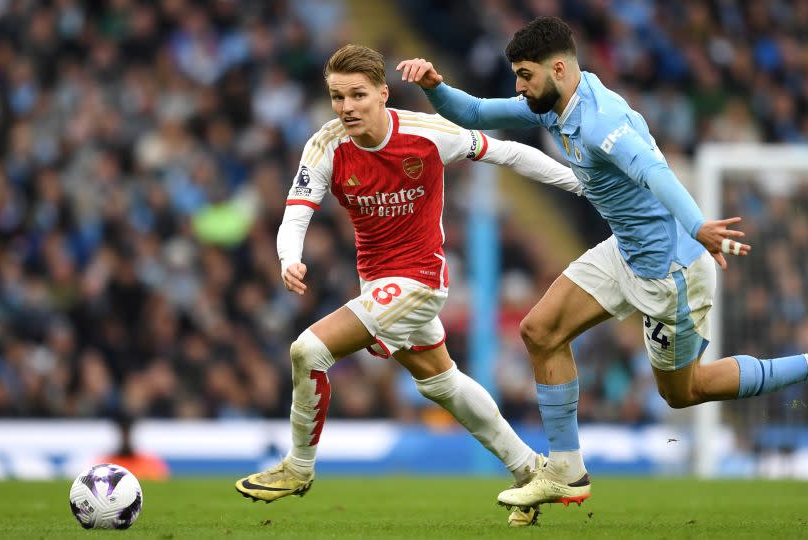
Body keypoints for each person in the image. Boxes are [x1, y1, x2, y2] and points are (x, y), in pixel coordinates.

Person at [397, 16, 808, 509]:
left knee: (684, 391)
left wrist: (698, 226)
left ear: (557, 68)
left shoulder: (604, 121)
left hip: (671, 272)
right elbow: (473, 111)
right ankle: (566, 470)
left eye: (524, 75)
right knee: (539, 331)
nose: (519, 86)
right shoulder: (554, 104)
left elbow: (655, 172)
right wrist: (436, 86)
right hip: (623, 250)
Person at [234, 44, 585, 527]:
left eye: (357, 95)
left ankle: (298, 468)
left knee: (307, 351)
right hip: (376, 284)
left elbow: (506, 153)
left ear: (382, 94)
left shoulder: (425, 134)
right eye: (337, 97)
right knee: (442, 384)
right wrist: (288, 258)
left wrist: (579, 184)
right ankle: (530, 469)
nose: (347, 107)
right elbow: (295, 215)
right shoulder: (326, 145)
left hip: (420, 281)